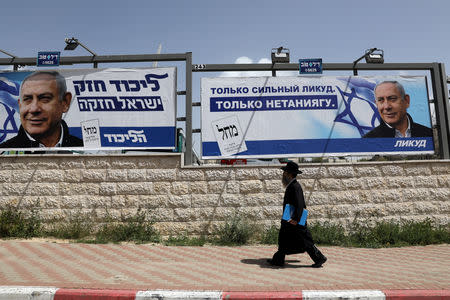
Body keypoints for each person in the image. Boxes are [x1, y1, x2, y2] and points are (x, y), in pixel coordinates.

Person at [0, 71, 83, 148]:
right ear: (20, 105)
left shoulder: (85, 151)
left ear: (65, 102)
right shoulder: (4, 152)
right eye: (27, 99)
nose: (34, 109)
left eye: (45, 98)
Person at [267, 161, 327, 268]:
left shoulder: (295, 187)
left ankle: (319, 258)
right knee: (284, 237)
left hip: (295, 218)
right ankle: (278, 259)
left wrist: (296, 219)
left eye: (285, 172)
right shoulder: (292, 185)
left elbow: (299, 204)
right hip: (290, 216)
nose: (283, 174)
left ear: (290, 174)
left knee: (305, 239)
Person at [363, 81, 432, 138]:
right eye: (381, 100)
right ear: (376, 104)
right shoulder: (368, 140)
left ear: (406, 101)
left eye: (392, 99)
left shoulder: (429, 134)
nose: (387, 106)